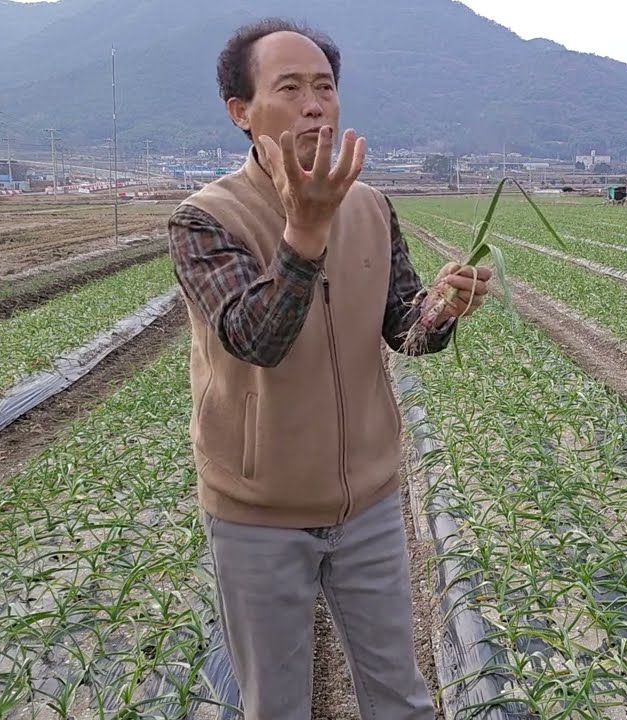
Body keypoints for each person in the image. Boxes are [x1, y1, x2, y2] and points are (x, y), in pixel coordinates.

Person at [167, 17, 492, 720]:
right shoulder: (204, 220)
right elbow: (255, 338)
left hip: (368, 502)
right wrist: (304, 233)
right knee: (276, 707)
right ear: (242, 112)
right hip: (260, 516)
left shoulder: (372, 207)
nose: (315, 103)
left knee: (401, 699)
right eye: (290, 88)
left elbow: (403, 330)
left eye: (325, 87)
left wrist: (441, 311)